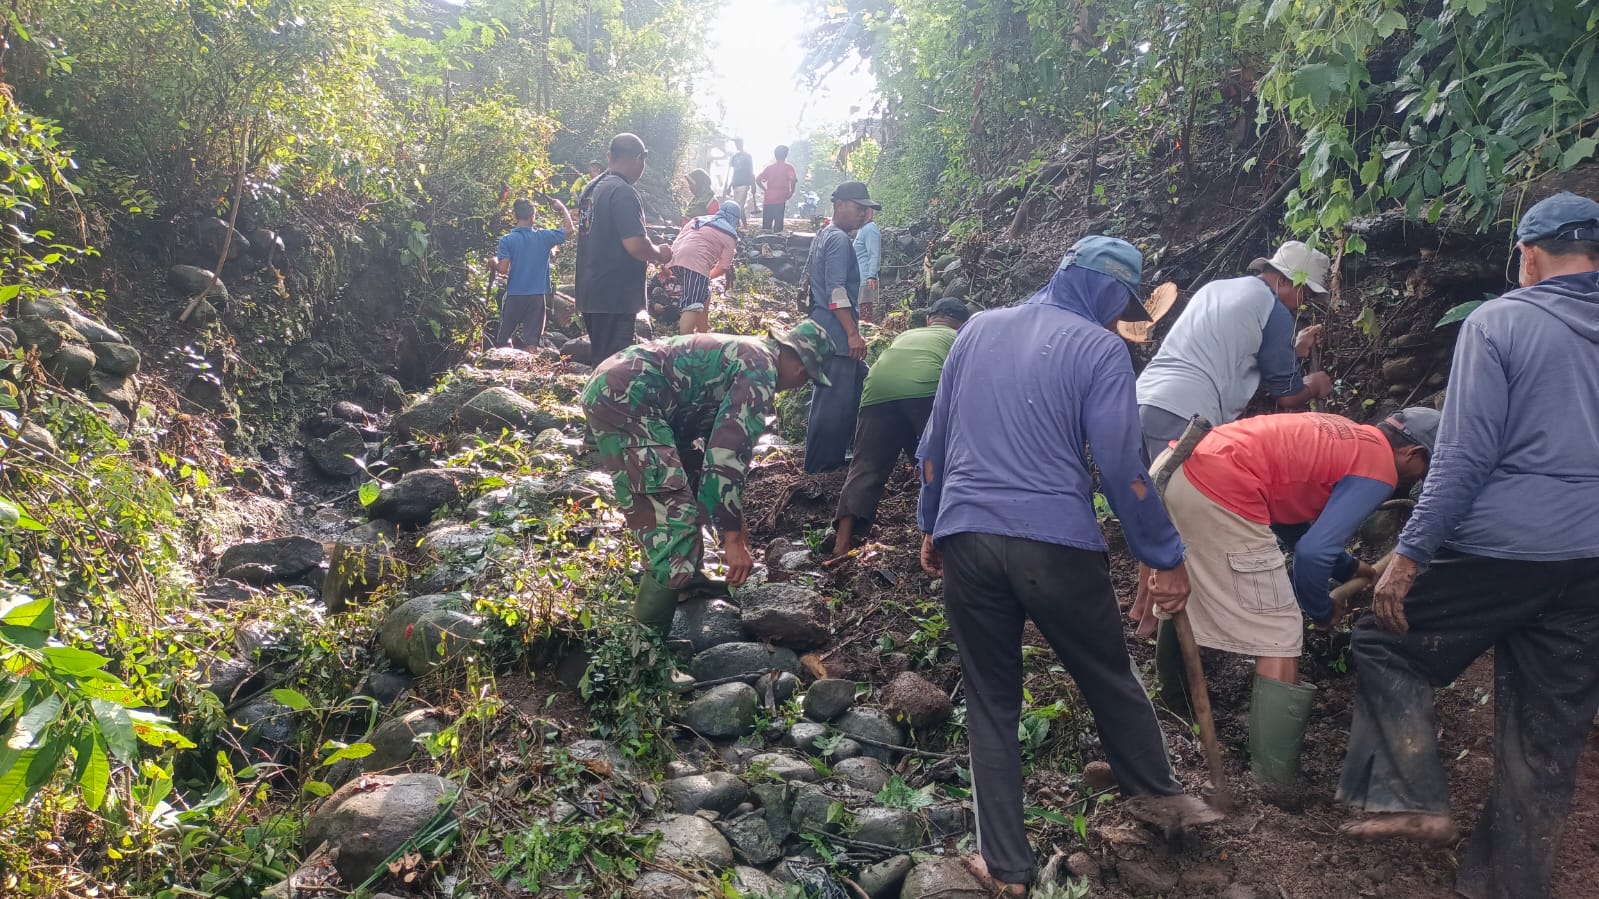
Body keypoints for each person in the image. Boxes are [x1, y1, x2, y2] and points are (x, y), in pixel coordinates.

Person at [917, 236, 1221, 894]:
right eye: (1120, 304)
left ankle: (1005, 867)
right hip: (1054, 544)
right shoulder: (1100, 349)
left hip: (967, 534)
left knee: (991, 701)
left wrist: (931, 520)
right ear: (1107, 292)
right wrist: (1163, 555)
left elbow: (934, 443)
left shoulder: (976, 329)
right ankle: (1164, 804)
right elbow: (1121, 468)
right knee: (1107, 674)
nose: (1119, 318)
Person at [1336, 191, 1599, 899]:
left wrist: (1409, 555)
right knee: (1546, 735)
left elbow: (1462, 456)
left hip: (1501, 550)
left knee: (1384, 640)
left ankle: (1407, 795)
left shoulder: (1500, 321)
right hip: (1589, 563)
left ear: (1529, 255)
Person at [1148, 409, 1438, 785]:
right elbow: (1312, 556)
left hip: (1176, 464)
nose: (1416, 480)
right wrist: (1321, 610)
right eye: (1424, 470)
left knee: (1187, 586)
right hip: (1218, 486)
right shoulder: (1380, 466)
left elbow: (1289, 521)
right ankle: (1273, 780)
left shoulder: (1347, 435)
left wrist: (1351, 569)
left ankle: (1172, 703)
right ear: (1413, 453)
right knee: (1280, 632)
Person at [581, 320, 837, 688]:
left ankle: (686, 579)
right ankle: (640, 660)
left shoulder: (750, 354)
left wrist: (733, 519)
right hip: (628, 399)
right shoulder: (760, 371)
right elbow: (726, 457)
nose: (799, 385)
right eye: (807, 379)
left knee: (684, 491)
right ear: (800, 367)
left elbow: (709, 459)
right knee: (673, 524)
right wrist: (733, 540)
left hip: (624, 390)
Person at [1136, 240, 1336, 464]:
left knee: (1137, 486)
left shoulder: (1216, 289)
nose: (1303, 303)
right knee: (1178, 486)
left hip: (1139, 399)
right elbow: (1288, 395)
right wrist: (1314, 384)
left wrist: (1294, 351)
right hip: (1181, 412)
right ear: (1283, 280)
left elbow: (1226, 355)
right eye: (1305, 294)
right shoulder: (1274, 310)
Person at [831, 297, 971, 557]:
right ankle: (941, 539)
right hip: (927, 387)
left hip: (877, 388)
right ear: (963, 324)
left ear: (929, 320)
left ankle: (841, 545)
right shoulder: (962, 337)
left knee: (865, 467)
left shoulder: (906, 335)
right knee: (941, 460)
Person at [575, 133, 673, 363]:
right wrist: (660, 253)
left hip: (591, 291)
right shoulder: (622, 191)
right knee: (615, 367)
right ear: (640, 159)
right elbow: (635, 245)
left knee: (602, 361)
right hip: (614, 295)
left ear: (610, 156)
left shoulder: (591, 188)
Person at [803, 181, 874, 473]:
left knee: (859, 384)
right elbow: (836, 292)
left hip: (824, 328)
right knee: (832, 401)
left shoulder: (825, 234)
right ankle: (821, 469)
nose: (862, 214)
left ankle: (844, 453)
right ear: (839, 204)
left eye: (864, 209)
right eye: (858, 207)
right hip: (836, 333)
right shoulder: (839, 240)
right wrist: (852, 334)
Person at [491, 196, 572, 350]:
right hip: (536, 296)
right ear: (533, 217)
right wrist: (562, 208)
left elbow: (502, 269)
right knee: (532, 343)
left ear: (514, 216)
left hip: (515, 295)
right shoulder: (544, 237)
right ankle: (531, 362)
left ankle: (501, 362)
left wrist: (493, 262)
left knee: (503, 340)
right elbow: (569, 230)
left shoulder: (507, 240)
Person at [667, 201, 741, 335]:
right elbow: (723, 266)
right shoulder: (729, 233)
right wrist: (705, 275)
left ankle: (703, 331)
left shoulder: (698, 220)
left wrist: (667, 265)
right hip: (695, 263)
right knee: (692, 304)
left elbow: (679, 239)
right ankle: (684, 342)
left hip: (674, 259)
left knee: (704, 292)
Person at [755, 146, 798, 233]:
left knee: (766, 227)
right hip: (781, 198)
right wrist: (791, 192)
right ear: (786, 155)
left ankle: (765, 239)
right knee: (778, 226)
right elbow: (793, 179)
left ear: (775, 155)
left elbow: (758, 179)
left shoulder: (769, 168)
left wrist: (765, 189)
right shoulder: (788, 167)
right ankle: (777, 239)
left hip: (768, 198)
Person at [854, 205, 883, 321]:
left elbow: (874, 253)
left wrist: (871, 276)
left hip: (866, 279)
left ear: (868, 212)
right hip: (859, 278)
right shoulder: (863, 229)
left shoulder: (870, 229)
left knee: (865, 315)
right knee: (860, 312)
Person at [725, 137, 755, 208]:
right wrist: (729, 186)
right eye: (735, 143)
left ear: (742, 143)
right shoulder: (734, 156)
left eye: (738, 142)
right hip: (735, 185)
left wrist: (753, 185)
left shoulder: (747, 156)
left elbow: (751, 171)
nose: (736, 144)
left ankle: (741, 215)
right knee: (736, 206)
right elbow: (734, 172)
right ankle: (742, 216)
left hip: (744, 184)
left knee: (739, 206)